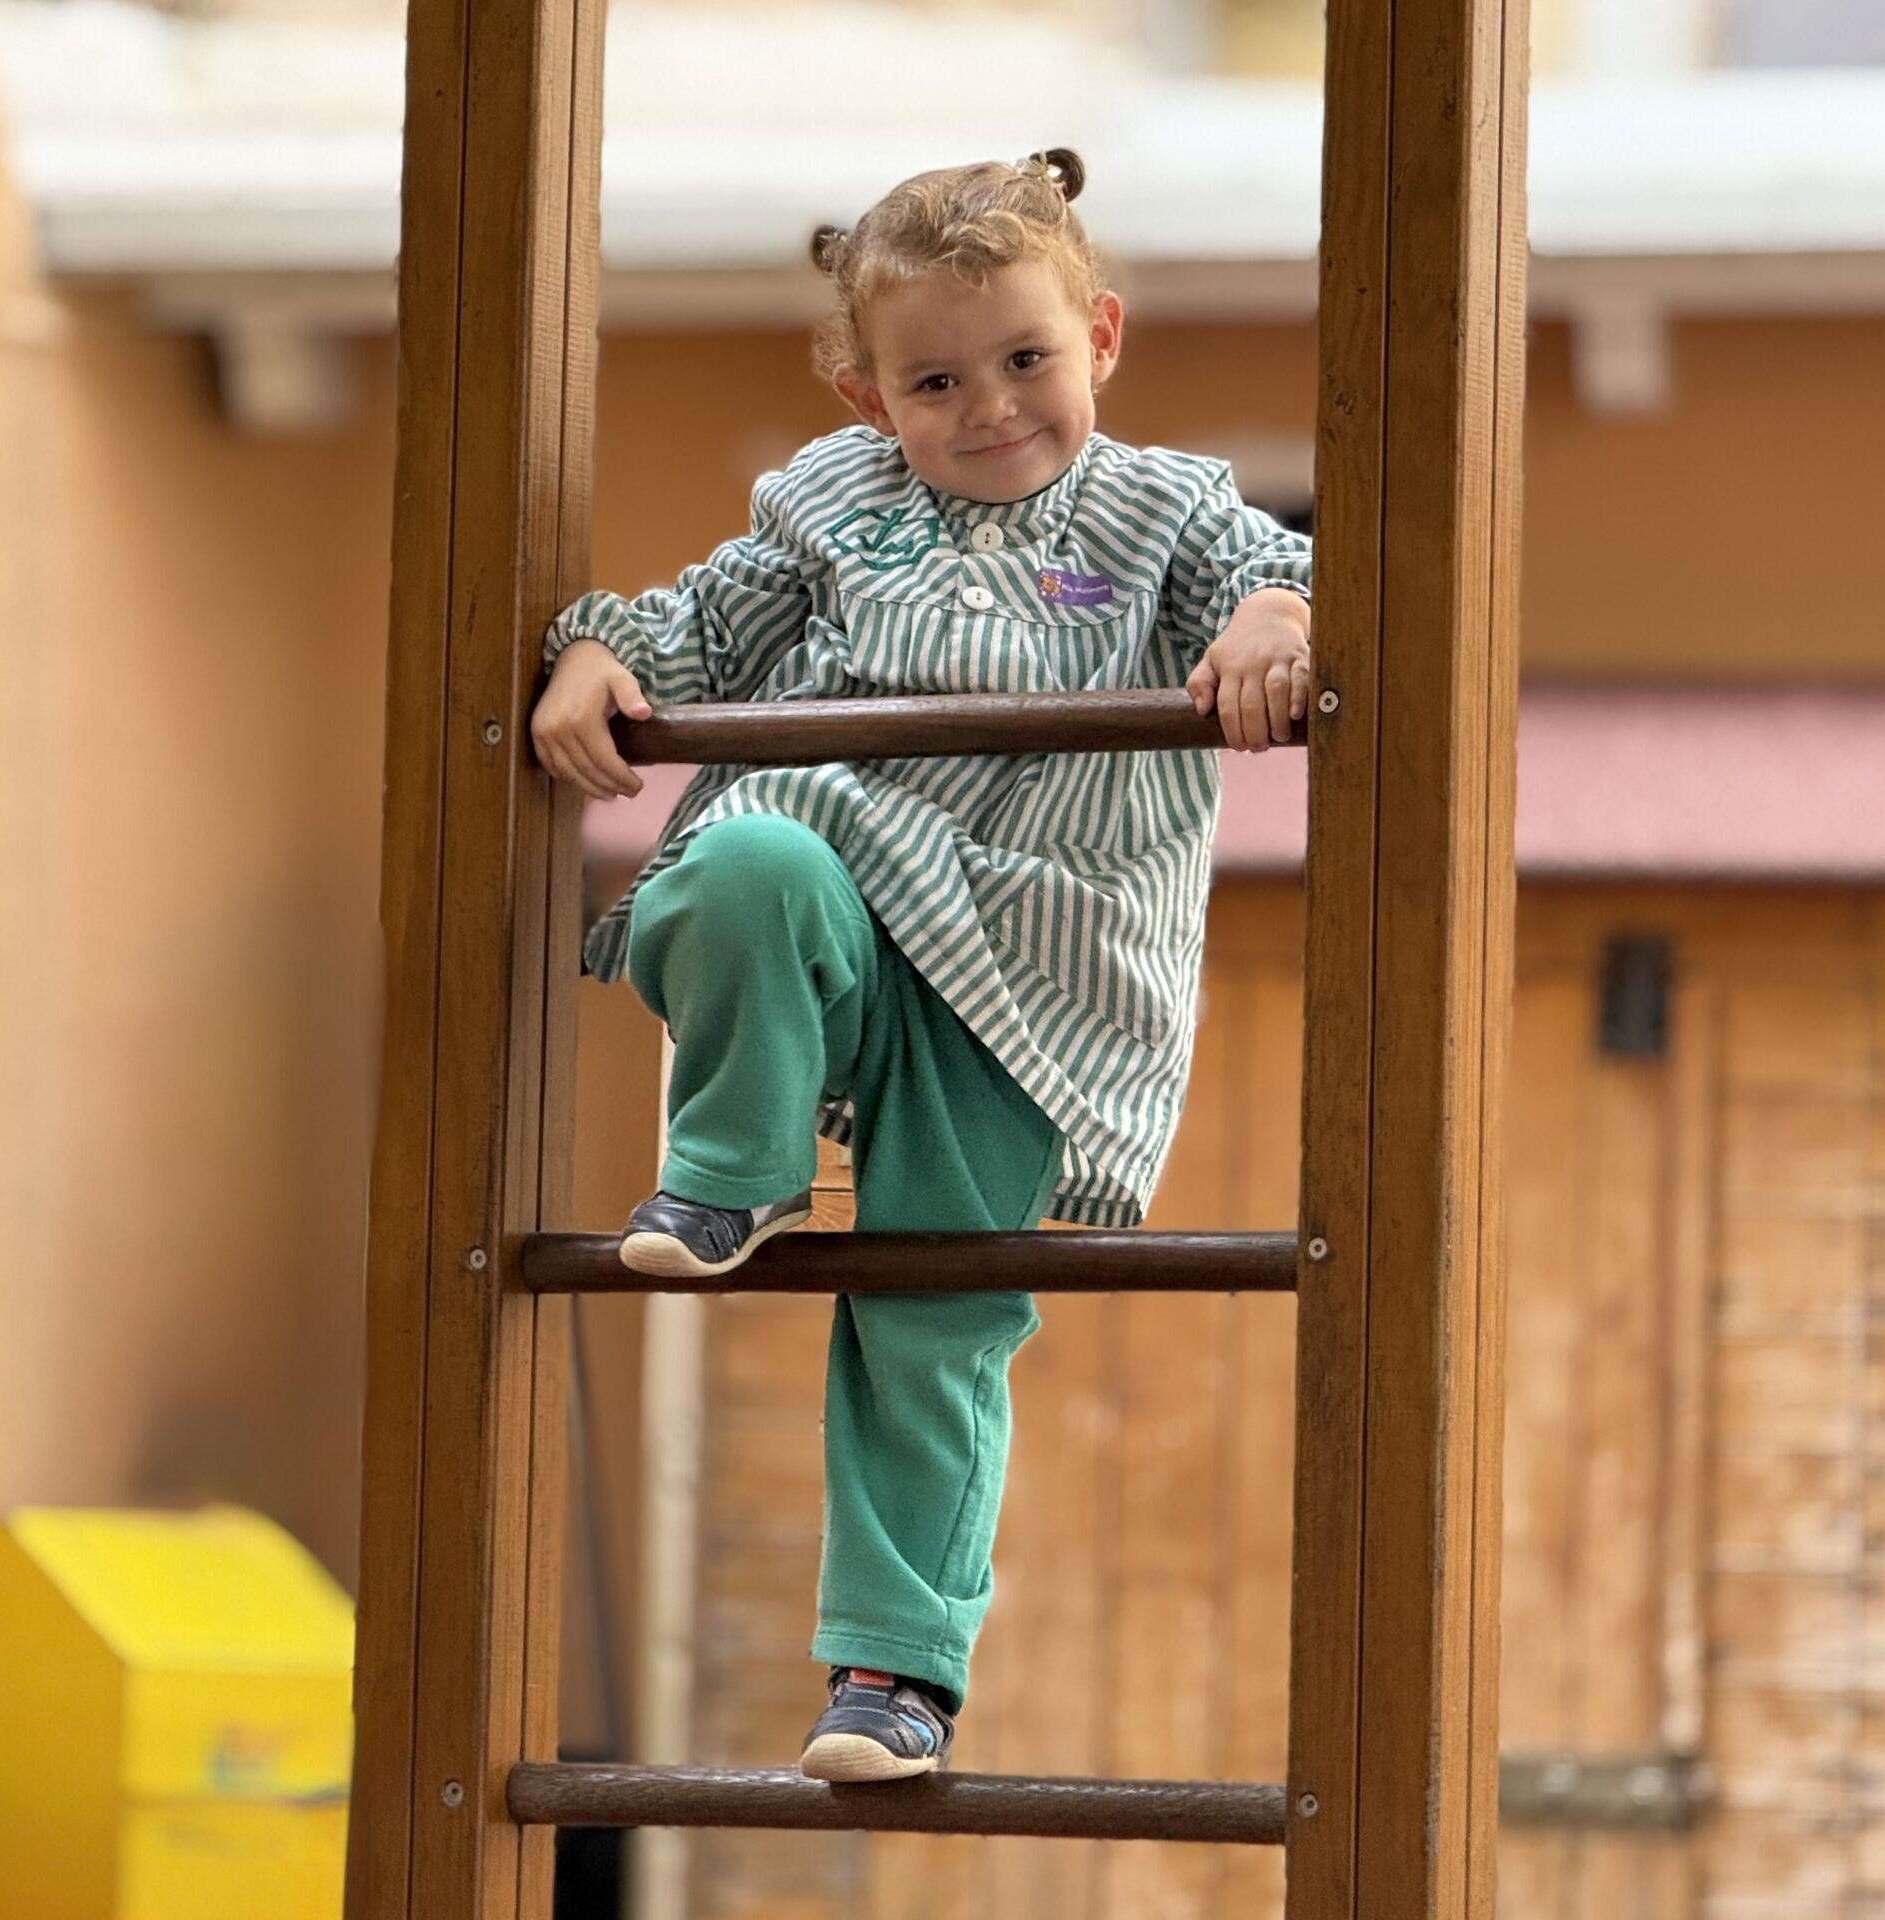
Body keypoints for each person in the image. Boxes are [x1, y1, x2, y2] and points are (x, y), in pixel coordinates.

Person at [530, 148, 1312, 1783]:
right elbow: (696, 629)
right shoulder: (830, 510)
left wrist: (1272, 623)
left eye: (1025, 358)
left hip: (1027, 968)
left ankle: (893, 1677)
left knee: (932, 1313)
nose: (991, 405)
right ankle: (730, 1169)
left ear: (1099, 333)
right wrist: (599, 652)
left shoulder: (1158, 513)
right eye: (936, 378)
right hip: (840, 913)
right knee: (740, 855)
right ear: (866, 394)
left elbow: (1277, 579)